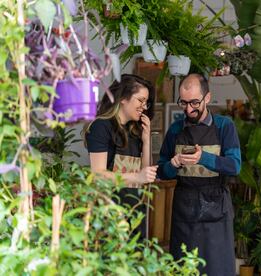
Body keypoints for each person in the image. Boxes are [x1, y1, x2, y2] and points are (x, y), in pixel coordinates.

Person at [158, 73, 241, 275]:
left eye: (195, 102)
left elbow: (234, 165)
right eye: (183, 103)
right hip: (184, 210)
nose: (188, 109)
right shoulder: (175, 130)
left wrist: (203, 157)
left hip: (217, 210)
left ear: (207, 98)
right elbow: (161, 170)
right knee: (184, 268)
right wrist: (173, 164)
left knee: (217, 269)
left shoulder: (224, 126)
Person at [84, 74, 158, 237]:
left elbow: (145, 174)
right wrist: (137, 177)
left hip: (134, 211)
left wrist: (146, 141)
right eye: (140, 100)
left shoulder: (134, 130)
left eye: (146, 102)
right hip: (109, 214)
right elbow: (97, 175)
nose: (144, 107)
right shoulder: (101, 127)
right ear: (123, 98)